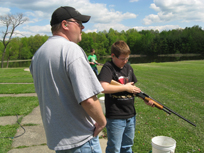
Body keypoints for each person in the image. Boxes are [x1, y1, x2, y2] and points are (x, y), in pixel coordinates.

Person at [29, 6, 106, 153]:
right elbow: (88, 99)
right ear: (65, 25)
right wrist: (102, 122)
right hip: (80, 140)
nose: (82, 27)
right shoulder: (71, 49)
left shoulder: (38, 55)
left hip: (59, 140)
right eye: (79, 22)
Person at [98, 40, 154, 153]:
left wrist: (144, 98)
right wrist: (125, 88)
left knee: (127, 147)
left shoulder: (128, 68)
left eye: (127, 58)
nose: (125, 61)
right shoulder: (108, 67)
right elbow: (102, 87)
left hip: (130, 115)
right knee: (114, 148)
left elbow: (132, 89)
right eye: (123, 59)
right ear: (113, 56)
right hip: (115, 116)